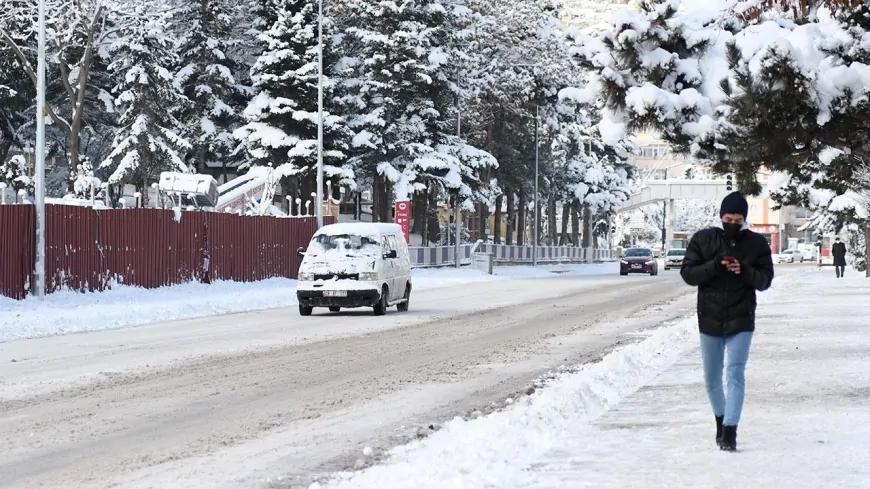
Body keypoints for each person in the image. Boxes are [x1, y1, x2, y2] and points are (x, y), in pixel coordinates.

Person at [680, 191, 775, 452]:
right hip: (709, 318)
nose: (732, 222)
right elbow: (688, 273)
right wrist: (715, 266)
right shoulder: (703, 239)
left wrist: (743, 271)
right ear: (721, 217)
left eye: (738, 219)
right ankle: (720, 421)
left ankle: (731, 430)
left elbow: (765, 280)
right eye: (728, 218)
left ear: (745, 219)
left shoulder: (756, 244)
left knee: (735, 374)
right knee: (711, 378)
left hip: (741, 318)